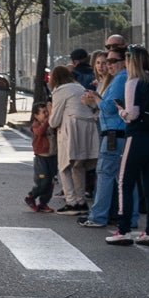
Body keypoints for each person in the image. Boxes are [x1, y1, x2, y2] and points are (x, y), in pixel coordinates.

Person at [109, 45, 149, 247]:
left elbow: (132, 114)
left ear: (131, 61)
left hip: (138, 138)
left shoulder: (133, 82)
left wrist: (120, 111)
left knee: (125, 182)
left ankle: (124, 229)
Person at [79, 51, 128, 229]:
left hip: (113, 133)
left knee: (105, 174)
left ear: (124, 61)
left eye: (112, 61)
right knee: (119, 177)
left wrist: (95, 98)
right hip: (115, 132)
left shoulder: (120, 79)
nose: (108, 65)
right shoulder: (120, 78)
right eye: (106, 62)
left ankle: (99, 216)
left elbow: (108, 108)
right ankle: (123, 215)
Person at [47, 64, 98, 213]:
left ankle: (71, 202)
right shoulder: (79, 87)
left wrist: (50, 112)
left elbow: (55, 120)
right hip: (87, 128)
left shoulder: (60, 91)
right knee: (79, 167)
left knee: (64, 166)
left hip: (71, 129)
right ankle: (81, 201)